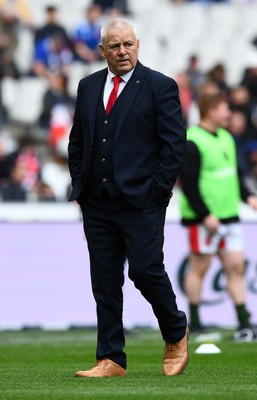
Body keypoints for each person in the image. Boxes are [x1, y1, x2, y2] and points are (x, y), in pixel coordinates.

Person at [68, 17, 188, 378]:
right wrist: (81, 184)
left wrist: (157, 192)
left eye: (128, 44)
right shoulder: (88, 87)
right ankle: (111, 358)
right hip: (97, 201)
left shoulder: (159, 86)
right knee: (104, 279)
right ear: (102, 50)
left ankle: (175, 330)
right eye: (115, 46)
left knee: (145, 269)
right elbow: (77, 141)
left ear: (138, 45)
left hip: (142, 200)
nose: (122, 51)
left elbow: (174, 145)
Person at [179, 92, 257, 338]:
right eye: (225, 109)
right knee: (199, 267)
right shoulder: (192, 139)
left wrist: (248, 197)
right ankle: (195, 322)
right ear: (211, 111)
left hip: (229, 215)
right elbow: (188, 182)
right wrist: (204, 215)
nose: (229, 114)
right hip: (204, 218)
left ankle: (244, 322)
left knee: (235, 267)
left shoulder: (226, 138)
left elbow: (233, 173)